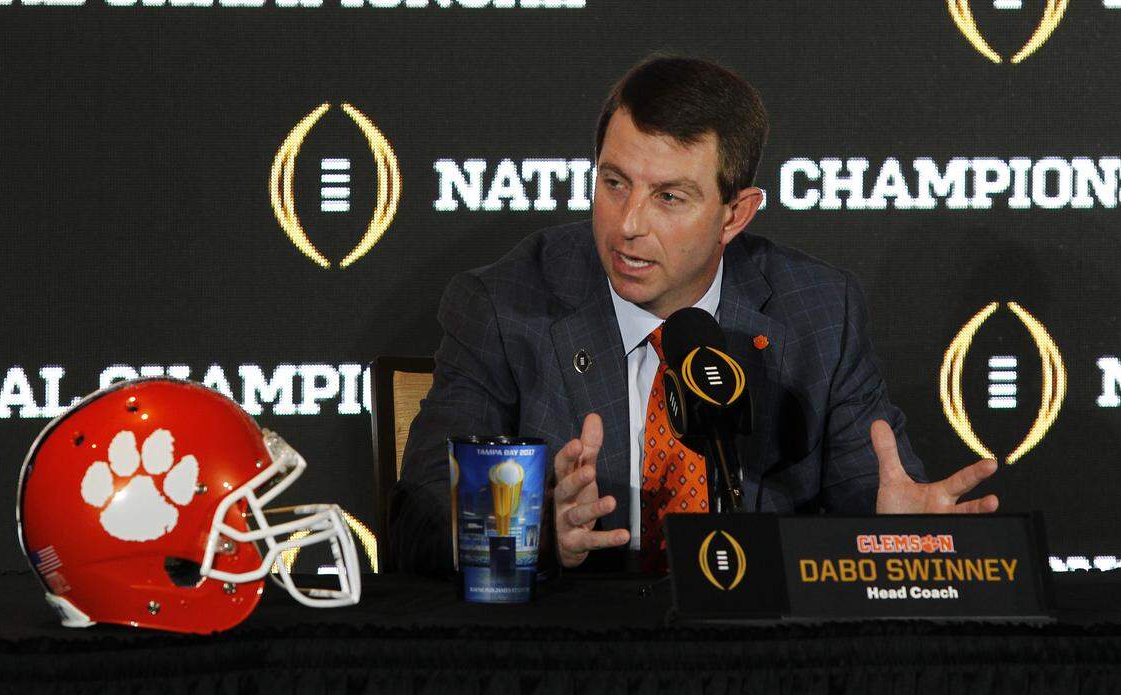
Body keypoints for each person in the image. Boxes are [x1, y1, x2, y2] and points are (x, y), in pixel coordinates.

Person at [390, 56, 998, 576]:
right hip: (581, 655)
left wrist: (889, 534)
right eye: (614, 183)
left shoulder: (818, 313)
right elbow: (417, 515)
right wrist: (537, 530)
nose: (628, 224)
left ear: (735, 215)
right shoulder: (506, 306)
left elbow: (872, 493)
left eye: (669, 197)